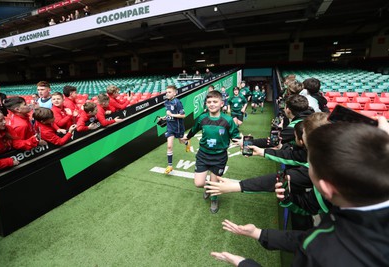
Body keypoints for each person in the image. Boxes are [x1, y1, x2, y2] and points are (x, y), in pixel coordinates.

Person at [211, 120, 389, 267]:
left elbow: (316, 239)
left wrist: (244, 263)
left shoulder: (324, 252)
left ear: (325, 188)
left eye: (309, 163)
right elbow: (310, 235)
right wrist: (258, 233)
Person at [181, 90, 241, 213]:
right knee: (198, 183)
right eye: (209, 102)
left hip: (219, 157)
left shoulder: (228, 120)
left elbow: (235, 136)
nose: (211, 104)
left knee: (215, 183)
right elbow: (194, 129)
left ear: (221, 103)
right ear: (206, 104)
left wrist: (242, 141)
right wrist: (187, 137)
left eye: (215, 101)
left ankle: (214, 199)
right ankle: (208, 186)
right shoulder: (202, 118)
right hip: (203, 154)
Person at [161, 85, 186, 174]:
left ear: (175, 93)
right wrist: (164, 117)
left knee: (181, 141)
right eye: (166, 92)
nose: (167, 93)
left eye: (169, 92)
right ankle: (170, 166)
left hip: (178, 127)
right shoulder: (166, 102)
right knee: (169, 146)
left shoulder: (177, 102)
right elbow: (168, 113)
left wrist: (171, 115)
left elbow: (183, 115)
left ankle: (186, 142)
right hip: (170, 127)